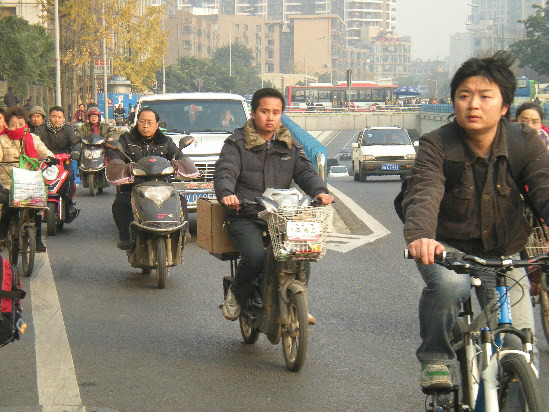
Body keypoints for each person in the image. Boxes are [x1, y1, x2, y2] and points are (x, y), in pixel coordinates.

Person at [401, 51, 547, 389]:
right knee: (450, 286)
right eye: (464, 95)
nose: (473, 104)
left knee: (519, 344)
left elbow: (544, 187)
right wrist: (422, 236)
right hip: (447, 246)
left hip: (505, 249)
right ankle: (435, 358)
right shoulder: (437, 143)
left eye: (485, 96)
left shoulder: (525, 142)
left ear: (505, 105)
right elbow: (424, 192)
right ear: (453, 101)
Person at [214, 88, 334, 324]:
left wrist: (320, 191)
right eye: (265, 111)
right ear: (253, 112)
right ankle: (237, 296)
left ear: (282, 115)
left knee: (302, 250)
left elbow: (306, 172)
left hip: (282, 217)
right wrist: (227, 194)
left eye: (276, 112)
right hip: (246, 215)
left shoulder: (290, 145)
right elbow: (225, 171)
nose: (270, 117)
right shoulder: (236, 143)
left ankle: (300, 301)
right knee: (256, 258)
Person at [106, 107, 190, 250]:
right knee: (120, 204)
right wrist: (119, 164)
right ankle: (126, 237)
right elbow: (115, 153)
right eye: (142, 122)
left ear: (157, 124)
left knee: (180, 199)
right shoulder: (126, 139)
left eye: (150, 122)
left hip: (162, 187)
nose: (145, 126)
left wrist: (180, 163)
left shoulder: (166, 142)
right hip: (132, 187)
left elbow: (177, 156)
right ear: (137, 123)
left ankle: (183, 232)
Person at [0, 106, 55, 252]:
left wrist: (50, 157)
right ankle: (3, 233)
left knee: (35, 207)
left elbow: (42, 150)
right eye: (12, 124)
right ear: (7, 124)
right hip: (8, 182)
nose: (16, 127)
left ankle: (37, 239)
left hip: (29, 181)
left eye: (20, 124)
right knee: (9, 206)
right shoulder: (2, 140)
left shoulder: (32, 138)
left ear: (25, 124)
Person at [34, 106, 81, 222]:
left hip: (64, 160)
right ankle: (35, 203)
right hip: (46, 161)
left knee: (70, 176)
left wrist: (75, 151)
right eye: (54, 116)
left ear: (63, 118)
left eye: (59, 117)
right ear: (49, 117)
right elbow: (35, 143)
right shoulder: (41, 130)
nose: (56, 119)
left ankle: (69, 203)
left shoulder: (69, 129)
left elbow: (75, 142)